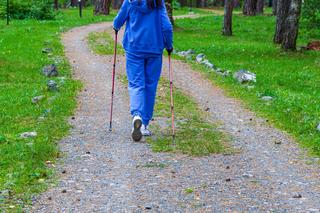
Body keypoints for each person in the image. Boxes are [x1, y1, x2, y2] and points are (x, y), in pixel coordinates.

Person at [113, 0, 173, 142]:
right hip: (154, 49)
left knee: (136, 84)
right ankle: (144, 124)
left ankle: (137, 115)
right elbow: (167, 27)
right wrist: (169, 45)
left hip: (134, 48)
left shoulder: (130, 1)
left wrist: (115, 26)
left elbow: (119, 19)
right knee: (150, 86)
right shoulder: (158, 3)